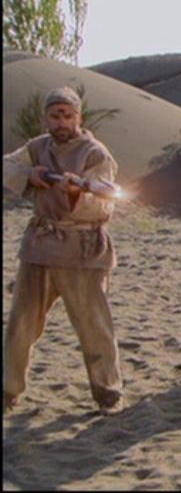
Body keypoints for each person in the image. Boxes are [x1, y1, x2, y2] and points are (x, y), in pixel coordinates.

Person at [3, 86, 124, 414]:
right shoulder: (37, 147)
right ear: (46, 117)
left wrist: (75, 193)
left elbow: (104, 205)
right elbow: (7, 167)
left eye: (67, 115)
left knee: (93, 324)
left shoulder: (95, 153)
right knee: (21, 321)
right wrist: (31, 175)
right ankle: (9, 388)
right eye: (55, 115)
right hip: (40, 246)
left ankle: (108, 391)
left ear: (78, 117)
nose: (61, 122)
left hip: (81, 249)